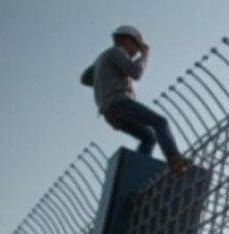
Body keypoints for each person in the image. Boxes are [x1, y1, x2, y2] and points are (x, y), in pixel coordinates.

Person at [80, 25, 192, 176]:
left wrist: (103, 74)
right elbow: (136, 73)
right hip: (119, 103)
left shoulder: (104, 58)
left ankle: (135, 174)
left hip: (109, 112)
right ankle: (174, 160)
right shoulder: (116, 51)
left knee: (148, 138)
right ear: (127, 40)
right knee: (160, 122)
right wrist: (144, 55)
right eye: (136, 48)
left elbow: (85, 78)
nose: (135, 53)